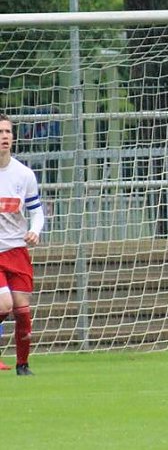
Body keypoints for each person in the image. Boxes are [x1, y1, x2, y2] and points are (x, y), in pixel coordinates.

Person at [0, 113, 45, 376]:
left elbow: (36, 210)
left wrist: (35, 230)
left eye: (7, 132)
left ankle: (23, 365)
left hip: (17, 250)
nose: (4, 137)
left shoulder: (24, 174)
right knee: (5, 305)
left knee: (23, 311)